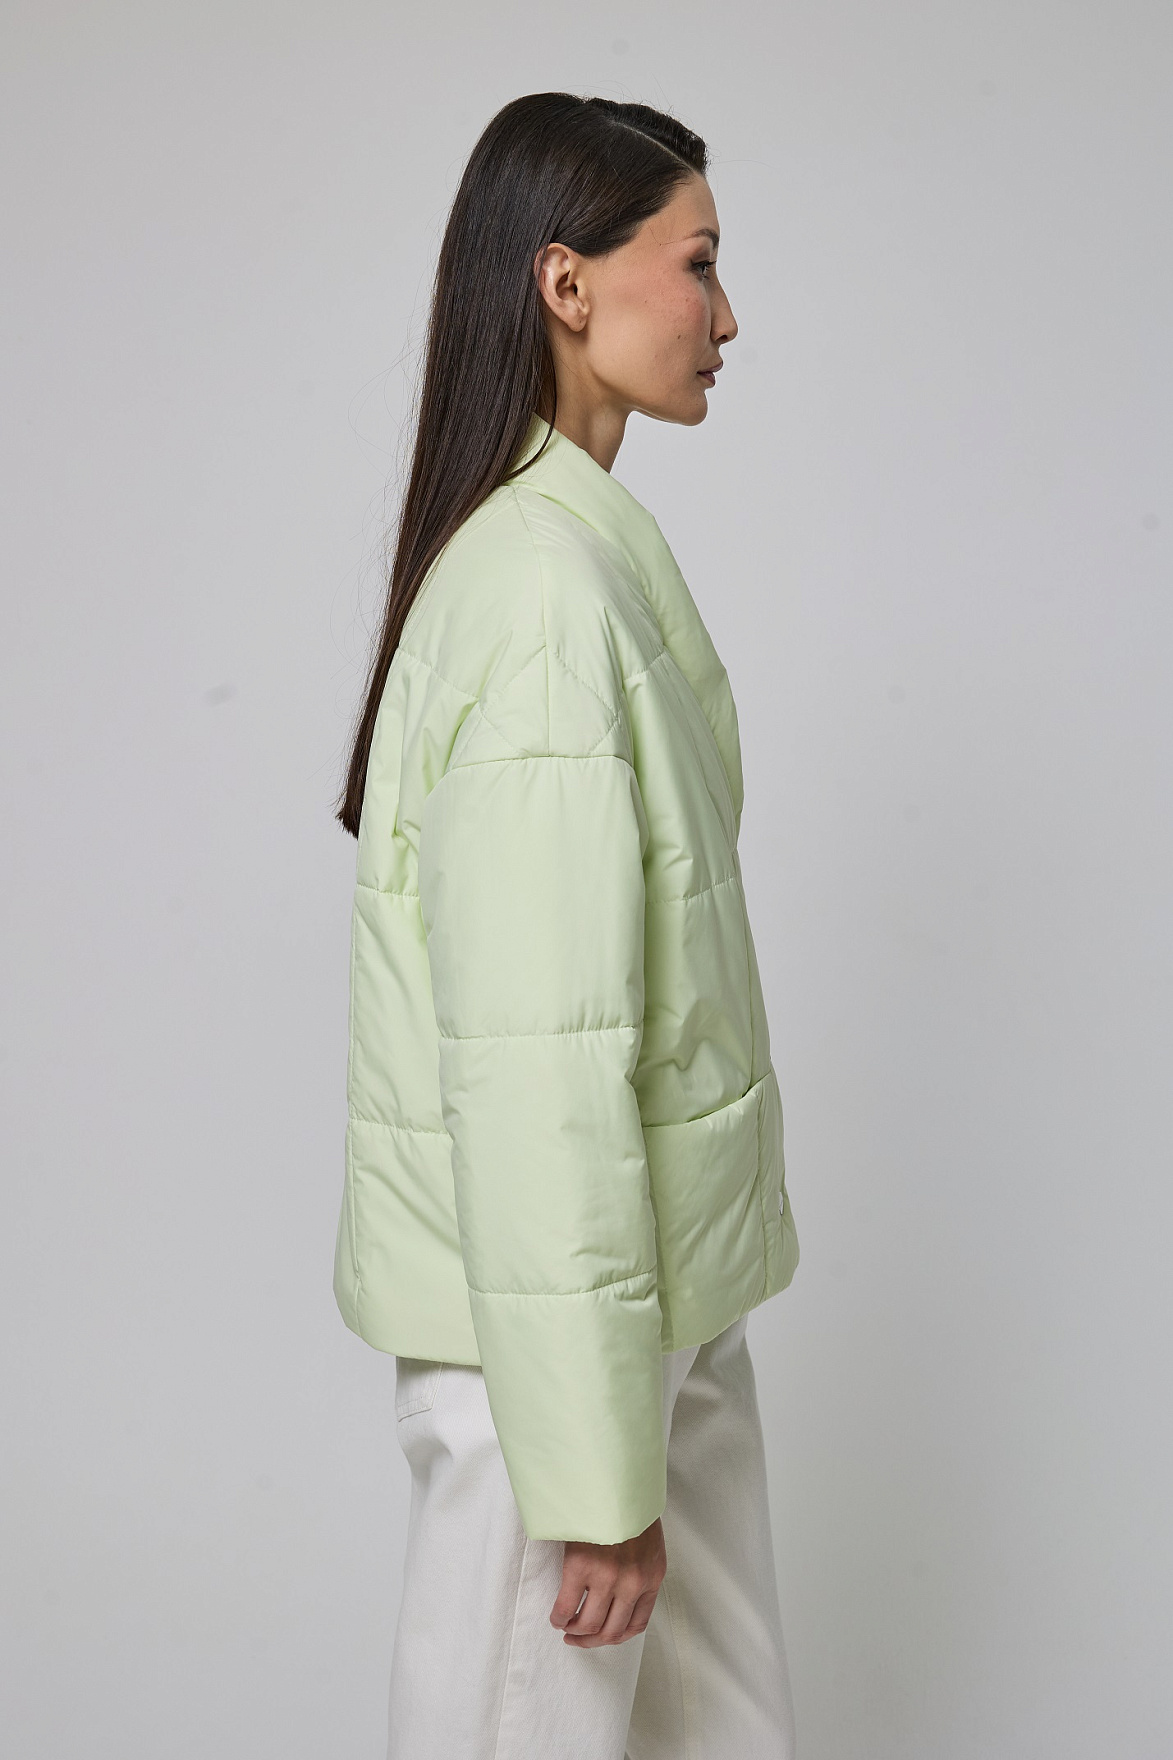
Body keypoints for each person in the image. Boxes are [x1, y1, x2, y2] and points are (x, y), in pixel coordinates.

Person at [332, 91, 801, 1759]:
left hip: (641, 1315)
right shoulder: (540, 599)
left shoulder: (573, 561)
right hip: (559, 1365)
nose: (727, 316)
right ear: (566, 282)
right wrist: (592, 1479)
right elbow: (538, 1065)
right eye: (699, 263)